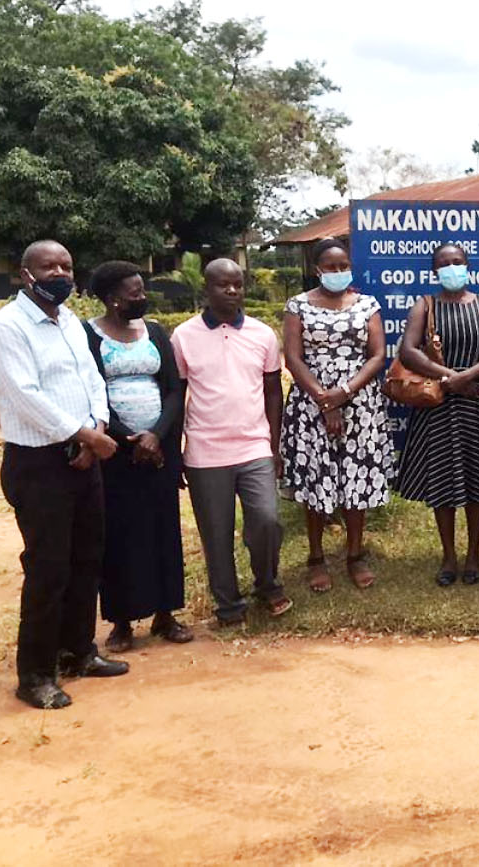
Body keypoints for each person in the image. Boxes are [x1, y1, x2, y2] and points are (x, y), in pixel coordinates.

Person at [0, 239, 128, 710]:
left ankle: (79, 651)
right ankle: (36, 674)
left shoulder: (69, 322)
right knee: (48, 568)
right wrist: (85, 435)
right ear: (26, 274)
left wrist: (97, 427)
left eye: (66, 265)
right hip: (38, 464)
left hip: (84, 456)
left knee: (87, 557)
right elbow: (24, 394)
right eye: (49, 267)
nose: (59, 273)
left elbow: (91, 379)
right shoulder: (6, 327)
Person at [171, 258, 292, 627]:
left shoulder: (262, 334)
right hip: (205, 452)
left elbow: (274, 392)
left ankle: (268, 585)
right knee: (216, 533)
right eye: (223, 285)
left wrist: (275, 446)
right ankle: (228, 605)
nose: (233, 291)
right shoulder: (183, 337)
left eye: (238, 284)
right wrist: (176, 452)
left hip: (254, 446)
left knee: (267, 521)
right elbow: (177, 395)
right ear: (206, 289)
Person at [85, 261, 191, 652]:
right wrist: (125, 438)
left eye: (142, 291)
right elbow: (89, 391)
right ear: (112, 299)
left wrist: (157, 435)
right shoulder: (88, 336)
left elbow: (173, 391)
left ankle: (166, 614)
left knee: (163, 529)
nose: (142, 297)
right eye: (135, 293)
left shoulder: (157, 333)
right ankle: (122, 621)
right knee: (118, 534)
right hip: (113, 451)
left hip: (158, 449)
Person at [280, 238, 394, 591]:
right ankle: (316, 558)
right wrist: (324, 400)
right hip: (310, 403)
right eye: (331, 267)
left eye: (344, 265)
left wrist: (343, 394)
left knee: (355, 480)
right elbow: (293, 357)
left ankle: (355, 554)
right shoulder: (298, 305)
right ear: (317, 270)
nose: (339, 272)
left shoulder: (367, 304)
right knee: (318, 480)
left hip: (360, 403)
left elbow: (377, 355)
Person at [395, 243, 479, 586]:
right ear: (434, 271)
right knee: (443, 479)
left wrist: (466, 377)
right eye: (444, 264)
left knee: (478, 478)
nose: (452, 267)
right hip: (439, 404)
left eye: (457, 262)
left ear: (468, 265)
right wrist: (452, 380)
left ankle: (473, 554)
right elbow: (408, 351)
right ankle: (448, 556)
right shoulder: (424, 306)